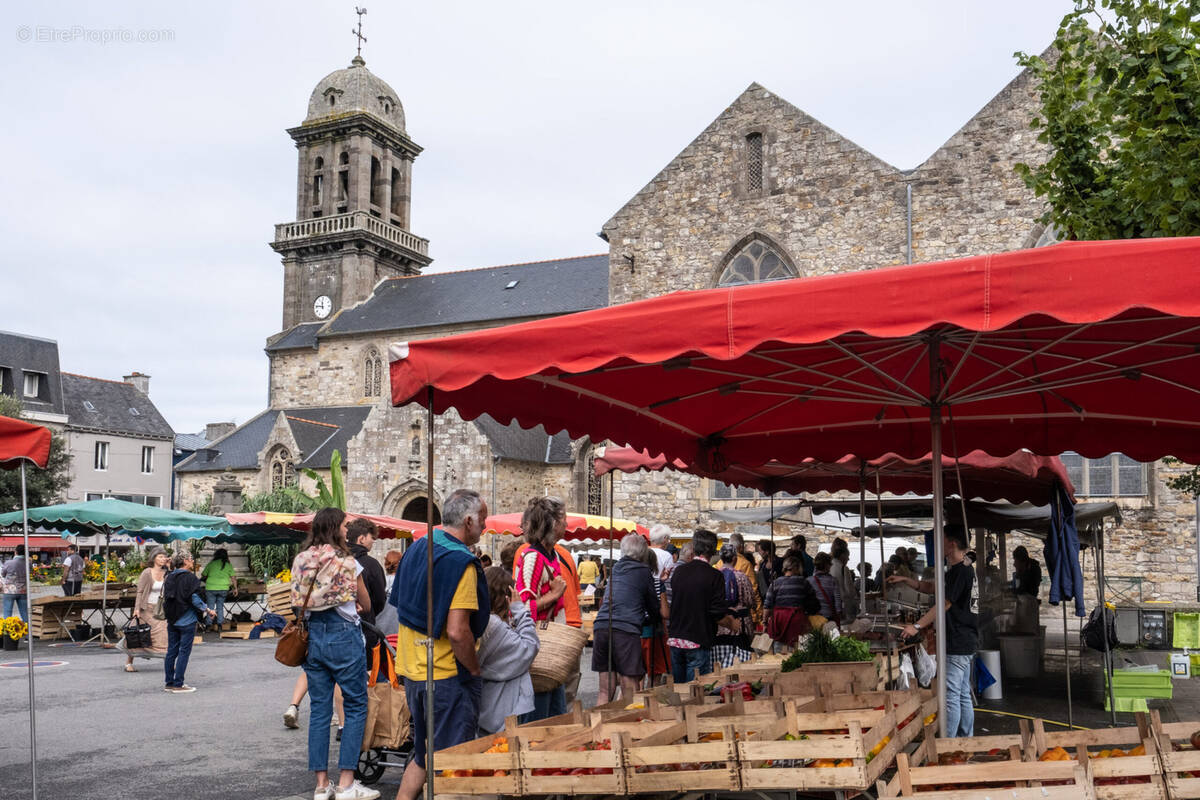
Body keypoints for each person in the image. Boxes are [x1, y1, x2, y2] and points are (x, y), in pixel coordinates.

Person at [392, 489, 489, 800]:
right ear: (469, 520)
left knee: (423, 756)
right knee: (451, 765)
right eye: (483, 520)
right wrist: (474, 669)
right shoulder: (460, 562)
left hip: (413, 672)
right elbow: (458, 631)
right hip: (444, 675)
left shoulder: (417, 547)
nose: (485, 526)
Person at [290, 507, 377, 800]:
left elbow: (296, 599)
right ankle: (346, 782)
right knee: (354, 706)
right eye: (344, 524)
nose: (347, 529)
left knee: (319, 711)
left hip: (313, 635)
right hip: (343, 635)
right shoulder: (345, 560)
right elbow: (364, 599)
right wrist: (358, 603)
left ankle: (321, 784)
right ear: (335, 527)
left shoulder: (301, 559)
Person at [890, 528, 978, 738]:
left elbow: (943, 604)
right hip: (965, 640)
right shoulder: (960, 569)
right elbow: (932, 588)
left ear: (952, 544)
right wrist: (906, 580)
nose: (939, 544)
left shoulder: (961, 571)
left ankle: (948, 746)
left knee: (951, 696)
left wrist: (917, 626)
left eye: (942, 540)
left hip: (957, 640)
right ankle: (966, 742)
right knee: (963, 694)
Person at [513, 496, 570, 720]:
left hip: (550, 649)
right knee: (538, 718)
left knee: (556, 715)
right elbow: (521, 606)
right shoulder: (532, 558)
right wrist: (555, 594)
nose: (567, 523)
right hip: (538, 649)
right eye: (564, 518)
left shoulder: (551, 554)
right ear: (553, 523)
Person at [592, 533, 660, 703]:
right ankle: (631, 726)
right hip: (624, 629)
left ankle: (599, 725)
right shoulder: (644, 571)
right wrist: (654, 620)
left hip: (602, 625)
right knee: (629, 687)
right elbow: (653, 606)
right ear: (643, 553)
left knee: (605, 690)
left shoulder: (616, 568)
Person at [476, 567, 538, 735]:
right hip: (502, 709)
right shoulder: (494, 625)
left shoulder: (481, 621)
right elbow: (529, 648)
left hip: (487, 706)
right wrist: (520, 610)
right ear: (506, 595)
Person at [667, 530, 735, 682]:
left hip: (675, 638)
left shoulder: (678, 572)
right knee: (695, 694)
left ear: (695, 547)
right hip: (697, 639)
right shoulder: (714, 576)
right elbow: (716, 613)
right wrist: (732, 623)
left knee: (679, 692)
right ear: (712, 550)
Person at [162, 552, 216, 693]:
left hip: (172, 618)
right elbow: (194, 598)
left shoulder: (169, 576)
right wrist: (207, 609)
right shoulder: (190, 578)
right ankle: (179, 684)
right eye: (191, 559)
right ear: (185, 561)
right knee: (184, 651)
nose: (193, 561)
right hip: (187, 618)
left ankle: (169, 682)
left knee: (171, 651)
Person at [125, 546, 170, 672]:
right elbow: (140, 592)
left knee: (163, 636)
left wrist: (170, 567)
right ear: (154, 558)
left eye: (164, 557)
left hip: (160, 610)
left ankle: (168, 662)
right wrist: (137, 609)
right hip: (146, 609)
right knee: (137, 636)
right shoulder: (147, 572)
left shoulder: (166, 573)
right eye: (160, 556)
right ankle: (129, 662)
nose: (163, 559)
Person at [713, 543, 757, 668]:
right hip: (740, 625)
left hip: (720, 624)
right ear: (734, 558)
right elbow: (750, 601)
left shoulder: (715, 576)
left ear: (721, 558)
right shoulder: (742, 577)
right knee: (742, 659)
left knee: (720, 661)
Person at [763, 556, 820, 648]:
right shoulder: (803, 582)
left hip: (778, 620)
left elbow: (767, 605)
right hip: (797, 619)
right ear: (797, 568)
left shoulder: (775, 583)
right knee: (798, 649)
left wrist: (765, 623)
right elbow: (812, 601)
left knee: (779, 649)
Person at [200, 548, 238, 632]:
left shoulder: (211, 564)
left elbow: (203, 574)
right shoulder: (228, 565)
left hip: (210, 588)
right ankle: (220, 626)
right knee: (220, 607)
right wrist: (235, 588)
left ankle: (208, 626)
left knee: (210, 607)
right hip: (223, 588)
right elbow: (233, 578)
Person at [807, 552, 842, 624]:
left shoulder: (809, 580)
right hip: (829, 616)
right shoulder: (833, 580)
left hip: (814, 617)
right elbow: (837, 598)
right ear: (826, 565)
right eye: (830, 563)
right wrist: (839, 612)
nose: (831, 565)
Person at [830, 539, 858, 619]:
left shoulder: (828, 565)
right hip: (843, 606)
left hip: (830, 605)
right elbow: (850, 592)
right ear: (842, 555)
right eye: (847, 556)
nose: (848, 559)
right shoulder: (843, 568)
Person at [1, 544, 29, 623]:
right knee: (24, 612)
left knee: (7, 612)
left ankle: (7, 632)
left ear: (15, 552)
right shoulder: (28, 563)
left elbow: (3, 574)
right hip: (23, 590)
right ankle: (28, 631)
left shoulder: (9, 562)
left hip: (9, 591)